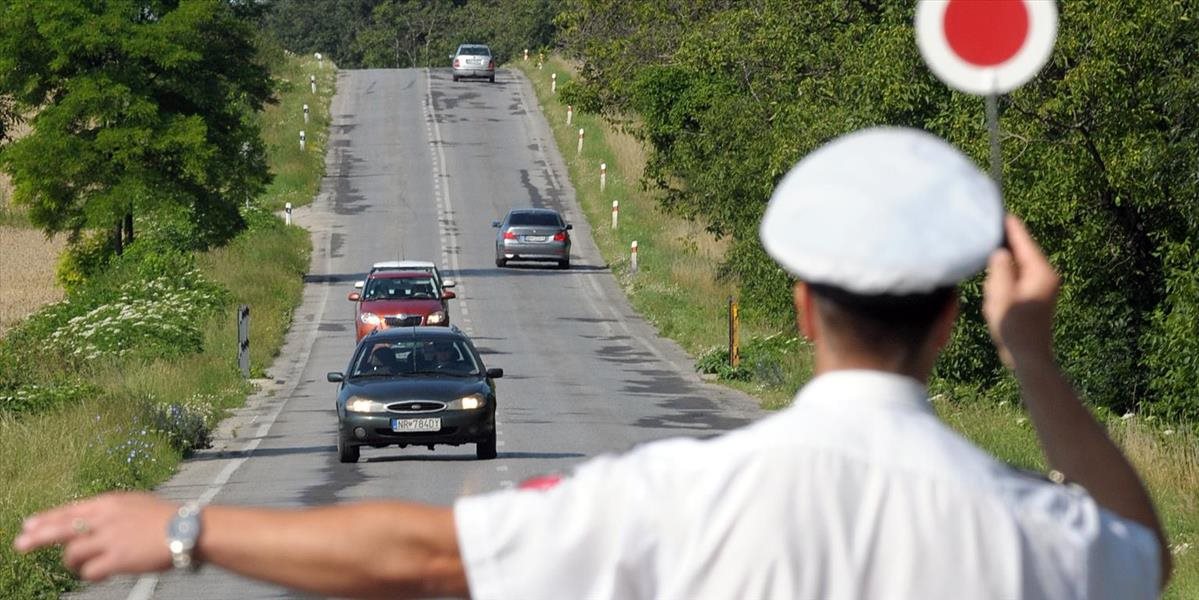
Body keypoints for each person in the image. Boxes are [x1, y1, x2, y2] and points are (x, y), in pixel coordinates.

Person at [13, 128, 1169, 599]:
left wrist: (183, 529)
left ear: (803, 306)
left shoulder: (685, 494)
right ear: (951, 322)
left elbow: (420, 553)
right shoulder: (1043, 536)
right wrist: (1037, 365)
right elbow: (1145, 551)